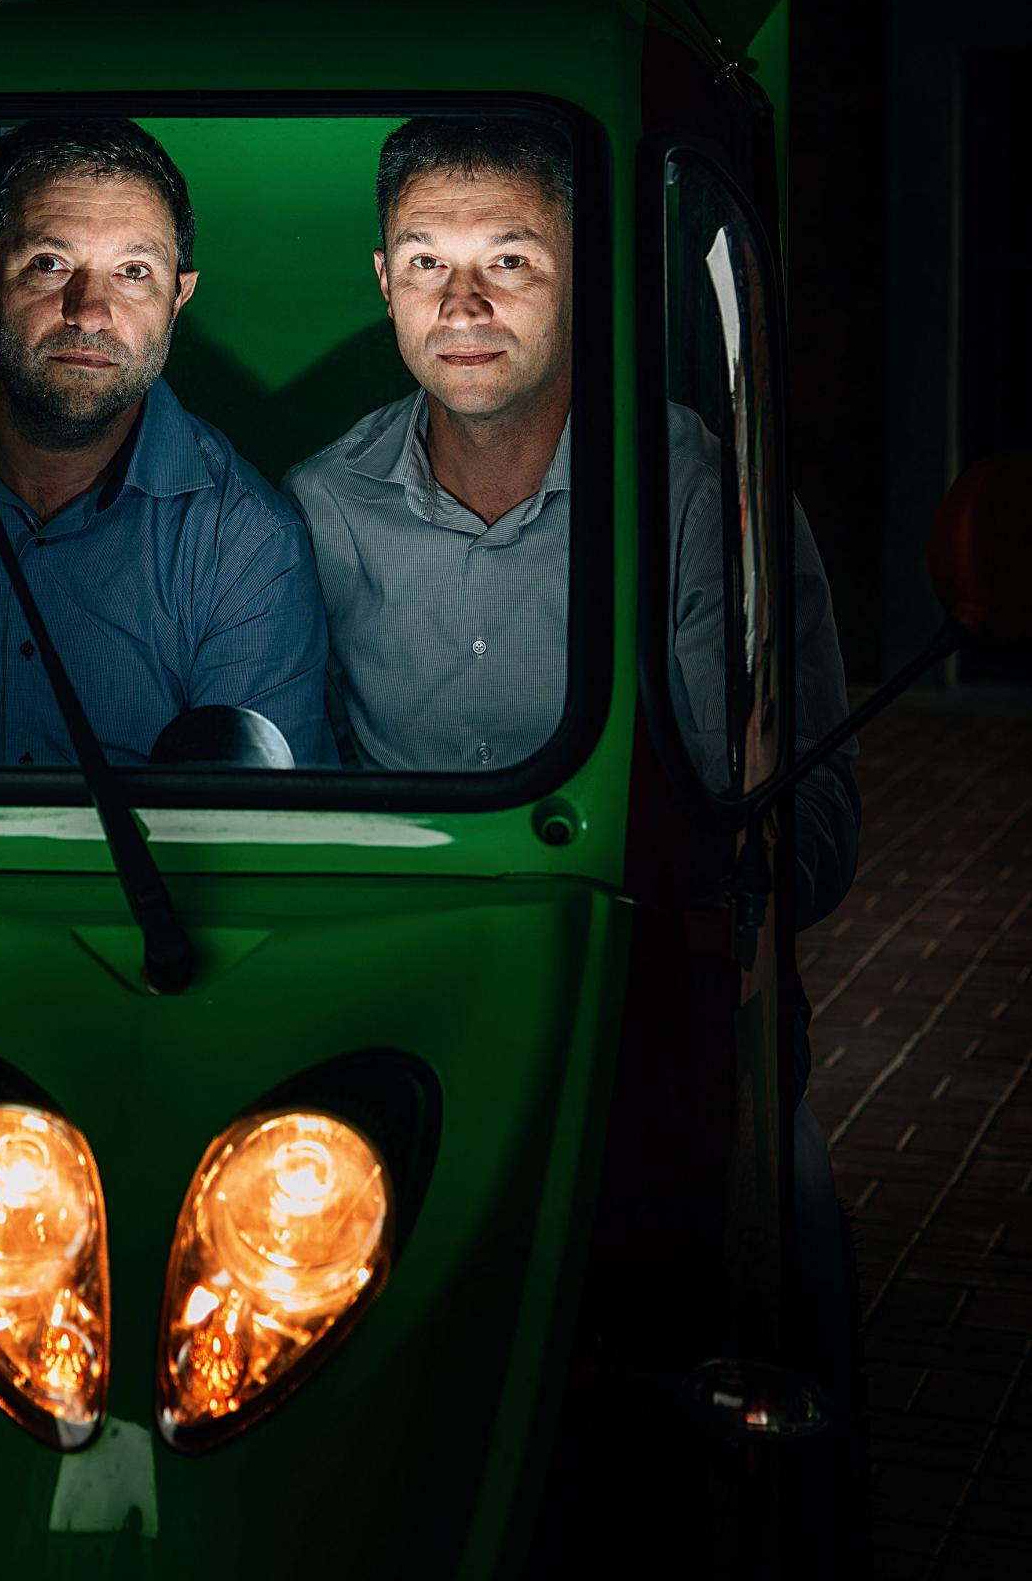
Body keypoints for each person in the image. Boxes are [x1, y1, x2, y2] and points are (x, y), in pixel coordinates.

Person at [283, 115, 861, 1391]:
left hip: (647, 1028)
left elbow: (812, 833)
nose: (464, 304)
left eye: (512, 259)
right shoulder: (319, 508)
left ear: (585, 274)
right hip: (394, 1028)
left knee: (779, 1281)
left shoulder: (706, 498)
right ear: (383, 281)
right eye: (426, 263)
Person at [0, 117, 334, 770]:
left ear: (177, 299)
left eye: (133, 271)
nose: (90, 312)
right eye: (49, 264)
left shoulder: (249, 543)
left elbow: (258, 823)